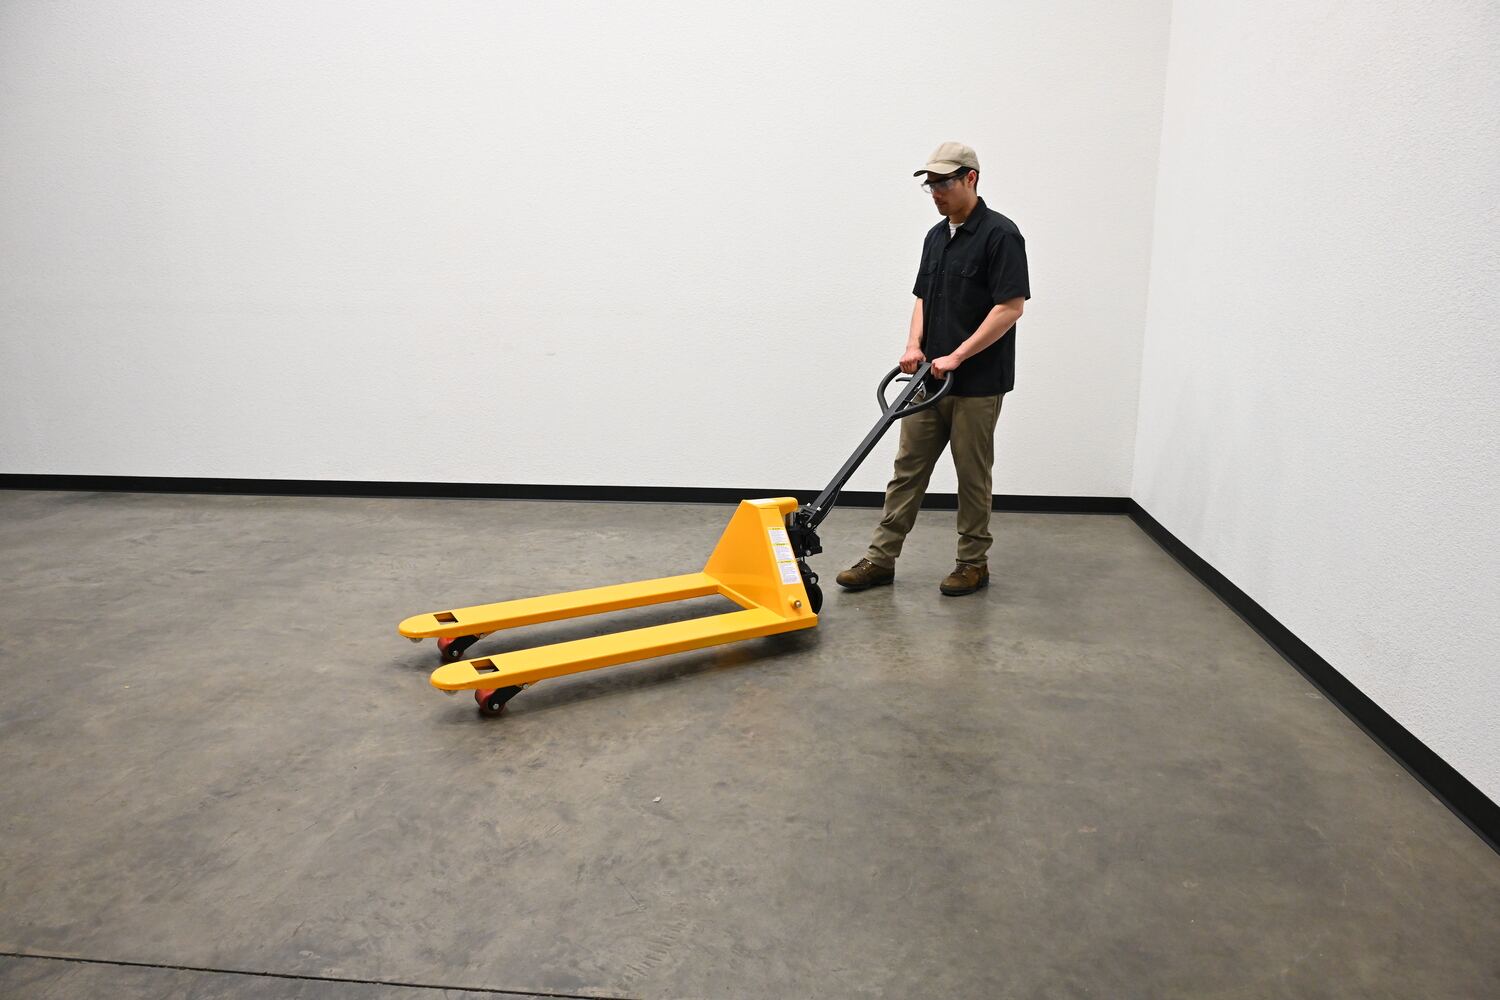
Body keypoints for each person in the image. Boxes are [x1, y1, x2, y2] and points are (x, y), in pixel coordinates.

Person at [836, 142, 1030, 597]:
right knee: (907, 470)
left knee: (972, 476)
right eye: (931, 185)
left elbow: (1010, 307)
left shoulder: (1001, 235)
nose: (936, 192)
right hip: (928, 381)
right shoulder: (935, 237)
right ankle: (880, 559)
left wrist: (958, 355)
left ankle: (972, 563)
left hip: (977, 384)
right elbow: (923, 296)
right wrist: (913, 345)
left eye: (944, 183)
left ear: (970, 178)